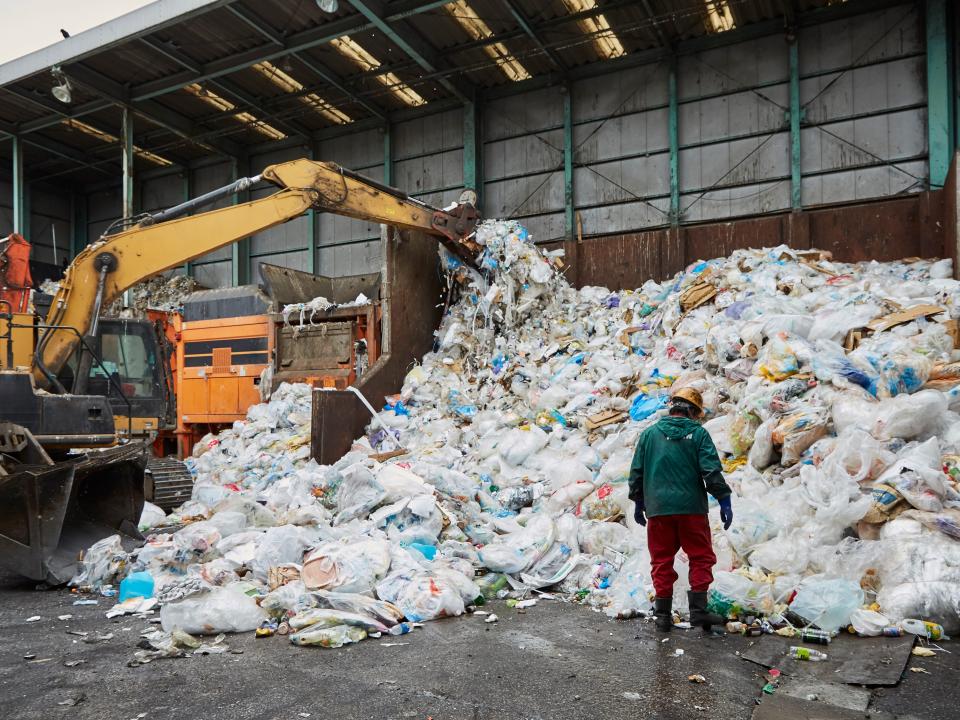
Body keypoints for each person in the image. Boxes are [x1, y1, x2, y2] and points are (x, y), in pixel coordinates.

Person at [628, 387, 733, 633]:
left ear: (672, 407)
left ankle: (662, 616)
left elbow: (636, 473)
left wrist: (638, 502)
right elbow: (711, 472)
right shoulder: (698, 434)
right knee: (701, 557)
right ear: (694, 412)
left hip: (658, 510)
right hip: (691, 510)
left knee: (661, 560)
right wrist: (724, 498)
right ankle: (698, 611)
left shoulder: (649, 435)